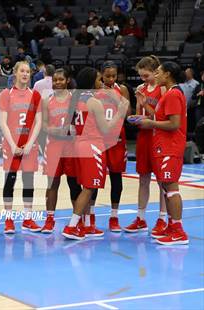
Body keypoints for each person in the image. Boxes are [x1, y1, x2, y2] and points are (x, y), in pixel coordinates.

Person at [62, 67, 128, 240]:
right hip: (93, 146)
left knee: (85, 187)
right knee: (89, 188)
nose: (101, 82)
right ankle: (72, 226)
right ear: (92, 82)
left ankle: (83, 225)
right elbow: (106, 129)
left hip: (78, 146)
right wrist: (120, 113)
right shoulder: (94, 102)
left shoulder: (74, 99)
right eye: (99, 79)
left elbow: (70, 128)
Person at [136, 62, 188, 245]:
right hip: (163, 147)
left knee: (172, 189)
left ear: (167, 74)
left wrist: (151, 124)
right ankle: (172, 226)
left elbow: (174, 124)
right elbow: (161, 119)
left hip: (170, 147)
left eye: (158, 73)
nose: (155, 76)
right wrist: (145, 110)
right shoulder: (170, 94)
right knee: (167, 188)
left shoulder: (173, 94)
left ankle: (179, 231)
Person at [125, 56, 167, 236]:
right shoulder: (141, 88)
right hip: (143, 137)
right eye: (141, 76)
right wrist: (134, 118)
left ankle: (162, 219)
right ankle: (141, 218)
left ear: (156, 71)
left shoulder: (163, 89)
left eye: (146, 75)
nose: (143, 79)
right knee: (143, 179)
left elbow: (163, 117)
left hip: (158, 137)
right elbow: (138, 113)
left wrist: (144, 105)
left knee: (162, 181)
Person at [0, 61, 43, 233]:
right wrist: (12, 145)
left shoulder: (35, 95)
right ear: (15, 73)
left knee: (28, 181)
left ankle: (27, 218)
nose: (25, 74)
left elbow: (38, 122)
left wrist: (29, 144)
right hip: (11, 145)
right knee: (10, 181)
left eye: (28, 71)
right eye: (22, 71)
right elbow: (3, 122)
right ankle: (8, 219)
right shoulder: (6, 94)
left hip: (29, 146)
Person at [41, 68, 83, 233]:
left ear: (67, 80)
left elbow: (81, 123)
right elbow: (43, 124)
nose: (57, 82)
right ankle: (49, 219)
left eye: (60, 79)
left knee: (74, 184)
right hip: (53, 147)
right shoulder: (47, 101)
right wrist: (53, 130)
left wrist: (72, 130)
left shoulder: (75, 100)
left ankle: (76, 220)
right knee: (52, 184)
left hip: (71, 147)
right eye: (55, 80)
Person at [96, 61, 130, 232]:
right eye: (107, 75)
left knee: (116, 178)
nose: (110, 79)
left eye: (113, 76)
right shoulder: (96, 91)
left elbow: (128, 114)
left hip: (117, 140)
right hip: (100, 139)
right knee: (93, 180)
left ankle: (114, 216)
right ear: (101, 74)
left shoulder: (121, 89)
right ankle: (90, 216)